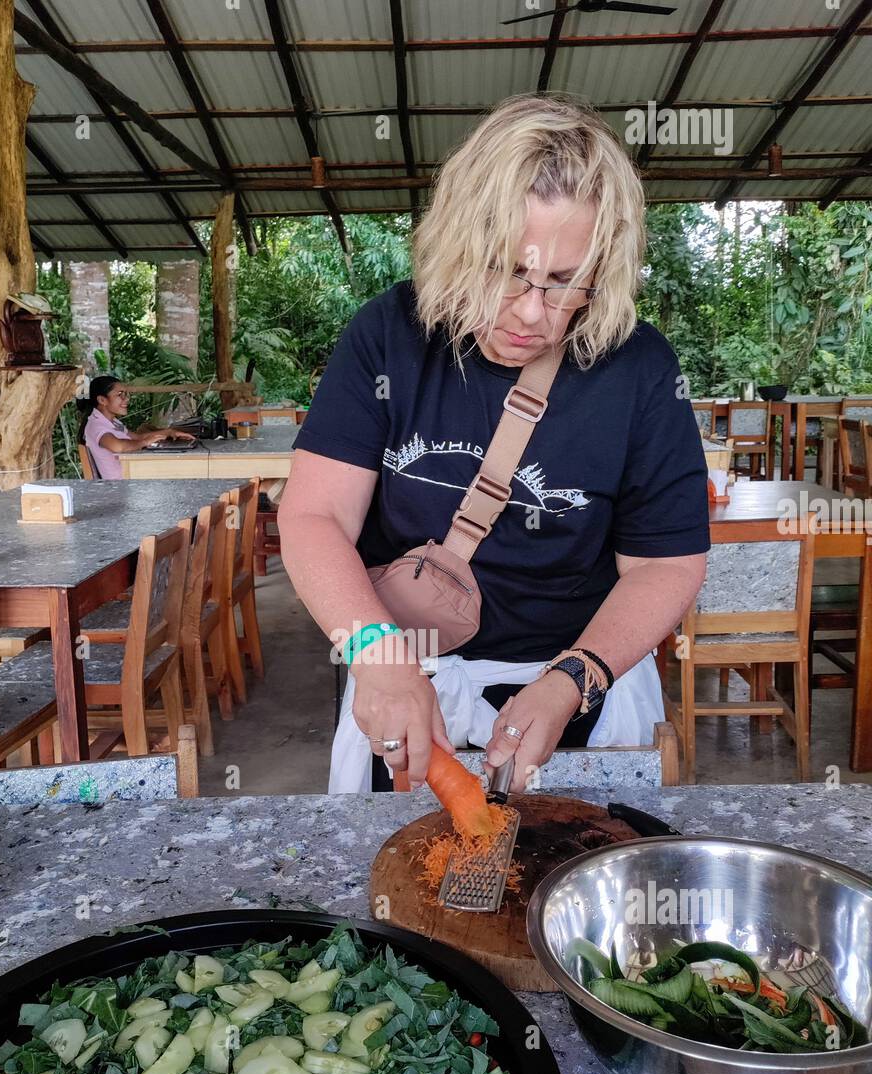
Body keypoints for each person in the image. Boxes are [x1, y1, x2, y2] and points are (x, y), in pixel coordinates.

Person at [278, 94, 710, 794]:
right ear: (458, 241)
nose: (532, 314)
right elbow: (313, 516)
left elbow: (665, 565)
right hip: (411, 681)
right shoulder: (388, 336)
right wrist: (375, 657)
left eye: (566, 281)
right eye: (507, 269)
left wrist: (576, 677)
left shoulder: (641, 368)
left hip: (582, 686)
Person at [79, 376, 195, 480]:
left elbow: (137, 437)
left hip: (132, 477)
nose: (126, 399)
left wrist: (169, 432)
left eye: (126, 394)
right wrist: (145, 442)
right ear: (102, 400)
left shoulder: (112, 421)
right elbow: (118, 446)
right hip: (122, 487)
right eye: (120, 395)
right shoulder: (95, 425)